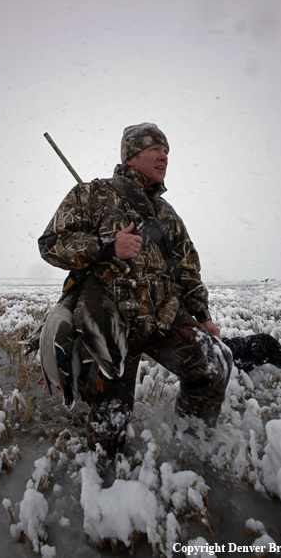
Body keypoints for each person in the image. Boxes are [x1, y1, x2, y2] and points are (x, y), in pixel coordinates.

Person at [38, 122, 233, 454]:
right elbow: (51, 243)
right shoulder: (92, 195)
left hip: (164, 317)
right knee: (111, 420)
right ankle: (104, 478)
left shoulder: (165, 213)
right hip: (113, 321)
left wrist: (201, 314)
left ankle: (191, 445)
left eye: (167, 151)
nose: (164, 157)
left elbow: (187, 266)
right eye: (154, 150)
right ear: (130, 157)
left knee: (212, 365)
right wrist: (107, 247)